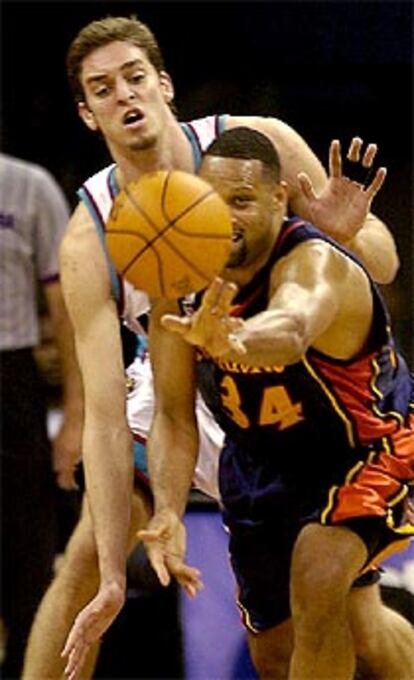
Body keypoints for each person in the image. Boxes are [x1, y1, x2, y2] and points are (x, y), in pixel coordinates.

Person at [21, 14, 400, 680]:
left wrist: (346, 236)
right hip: (187, 377)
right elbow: (110, 419)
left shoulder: (257, 146)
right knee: (88, 555)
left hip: (305, 383)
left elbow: (381, 265)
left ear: (164, 84)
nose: (125, 96)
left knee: (351, 614)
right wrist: (121, 565)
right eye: (103, 89)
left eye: (134, 77)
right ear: (87, 114)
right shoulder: (92, 237)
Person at [137, 126, 414, 679]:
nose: (227, 217)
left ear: (278, 200)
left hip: (366, 448)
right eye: (212, 202)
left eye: (242, 201)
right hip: (262, 462)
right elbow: (172, 413)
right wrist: (168, 508)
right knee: (285, 649)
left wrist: (233, 340)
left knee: (317, 576)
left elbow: (292, 327)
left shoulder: (315, 261)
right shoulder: (179, 273)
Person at [0, 153, 83, 678]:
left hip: (10, 382)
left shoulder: (29, 186)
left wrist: (75, 415)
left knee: (24, 569)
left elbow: (69, 311)